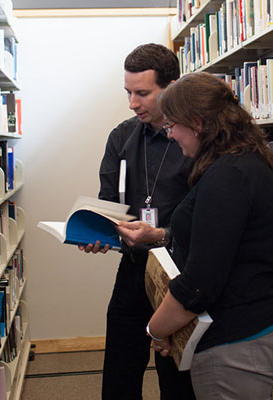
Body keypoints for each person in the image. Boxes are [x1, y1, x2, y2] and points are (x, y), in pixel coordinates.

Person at [117, 72, 273, 399]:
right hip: (244, 327)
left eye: (172, 126)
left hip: (235, 337)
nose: (170, 136)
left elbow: (199, 284)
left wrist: (156, 329)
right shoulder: (238, 161)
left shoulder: (228, 178)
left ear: (197, 124)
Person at [79, 44, 195, 400]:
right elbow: (109, 203)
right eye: (128, 92)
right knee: (119, 376)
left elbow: (206, 219)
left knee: (175, 379)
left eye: (142, 93)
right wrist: (99, 232)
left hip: (179, 274)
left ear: (172, 87)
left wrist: (163, 234)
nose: (132, 103)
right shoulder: (122, 137)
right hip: (133, 270)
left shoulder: (195, 140)